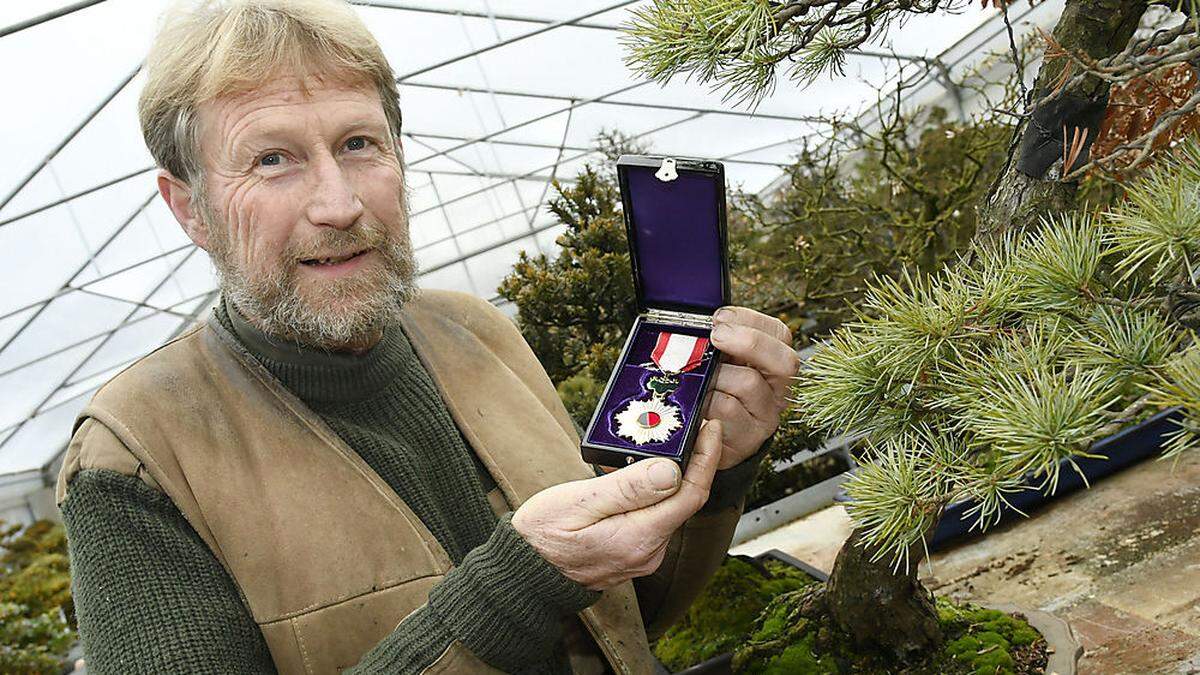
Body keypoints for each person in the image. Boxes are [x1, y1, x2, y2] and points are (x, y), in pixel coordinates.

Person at [55, 1, 800, 673]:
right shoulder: (139, 458)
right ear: (189, 207)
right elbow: (530, 587)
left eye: (357, 143)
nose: (339, 203)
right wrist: (515, 584)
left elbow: (627, 623)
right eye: (272, 159)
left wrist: (714, 472)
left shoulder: (476, 333)